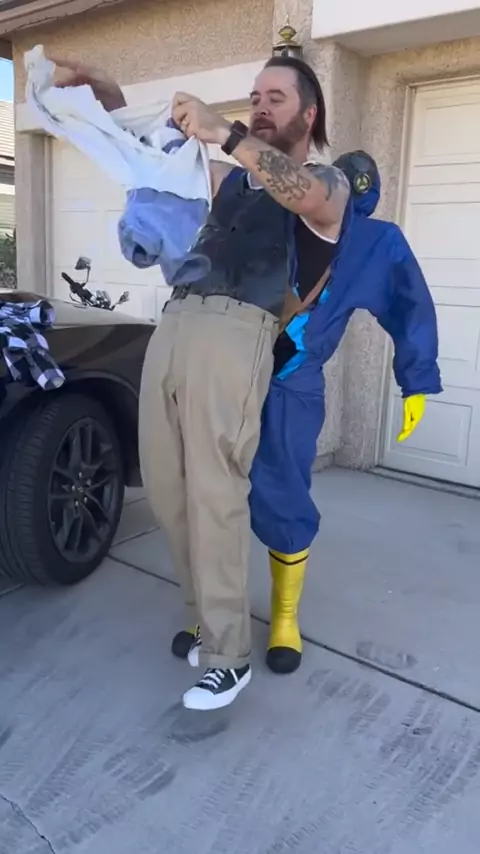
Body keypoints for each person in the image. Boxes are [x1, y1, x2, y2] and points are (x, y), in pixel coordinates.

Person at [54, 54, 351, 711]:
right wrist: (108, 98)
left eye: (276, 97)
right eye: (254, 95)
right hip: (177, 322)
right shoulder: (229, 182)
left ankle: (228, 655)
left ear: (309, 114)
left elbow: (305, 195)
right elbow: (152, 159)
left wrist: (227, 132)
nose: (260, 104)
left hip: (238, 331)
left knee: (216, 494)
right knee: (169, 490)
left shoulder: (327, 184)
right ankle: (203, 620)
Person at [175, 150, 442, 678]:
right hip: (227, 369)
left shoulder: (377, 242)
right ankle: (213, 613)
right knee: (208, 492)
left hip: (291, 384)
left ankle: (285, 617)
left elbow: (411, 304)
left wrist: (417, 379)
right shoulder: (276, 216)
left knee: (283, 497)